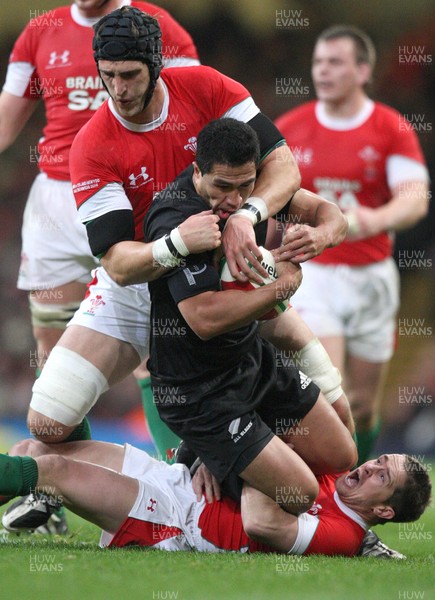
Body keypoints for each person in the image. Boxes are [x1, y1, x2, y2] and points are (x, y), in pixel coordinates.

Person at [26, 5, 302, 453]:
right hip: (140, 285)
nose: (118, 89)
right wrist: (174, 244)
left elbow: (285, 169)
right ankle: (154, 483)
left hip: (219, 272)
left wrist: (243, 218)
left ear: (156, 65)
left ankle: (335, 501)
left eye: (130, 74)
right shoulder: (92, 145)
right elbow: (117, 263)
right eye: (108, 75)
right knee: (46, 421)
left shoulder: (208, 88)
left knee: (319, 377)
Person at [0, 0, 200, 463]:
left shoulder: (157, 25)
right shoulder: (40, 30)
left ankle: (178, 478)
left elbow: (192, 111)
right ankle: (54, 485)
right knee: (51, 348)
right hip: (56, 197)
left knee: (154, 348)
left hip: (133, 192)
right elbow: (7, 122)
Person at [144, 117, 357, 513]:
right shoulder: (175, 218)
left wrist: (318, 236)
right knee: (299, 492)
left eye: (245, 185)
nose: (234, 199)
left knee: (342, 453)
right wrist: (280, 287)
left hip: (249, 360)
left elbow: (330, 213)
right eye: (222, 186)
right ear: (197, 172)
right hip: (199, 391)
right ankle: (201, 458)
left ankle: (228, 457)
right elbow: (205, 319)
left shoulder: (252, 196)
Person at [275, 25, 430, 465]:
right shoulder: (291, 128)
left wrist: (364, 222)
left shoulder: (390, 128)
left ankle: (354, 490)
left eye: (336, 62)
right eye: (319, 61)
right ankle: (323, 499)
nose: (323, 70)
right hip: (314, 275)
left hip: (372, 277)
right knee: (330, 390)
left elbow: (414, 200)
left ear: (363, 70)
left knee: (362, 406)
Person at [0, 438, 431, 557]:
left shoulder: (342, 535)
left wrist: (240, 453)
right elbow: (265, 451)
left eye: (382, 474)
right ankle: (44, 496)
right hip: (178, 480)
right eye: (380, 460)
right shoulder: (335, 473)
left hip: (174, 520)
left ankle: (48, 492)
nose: (371, 465)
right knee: (37, 450)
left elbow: (261, 523)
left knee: (53, 472)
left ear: (383, 510)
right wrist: (224, 452)